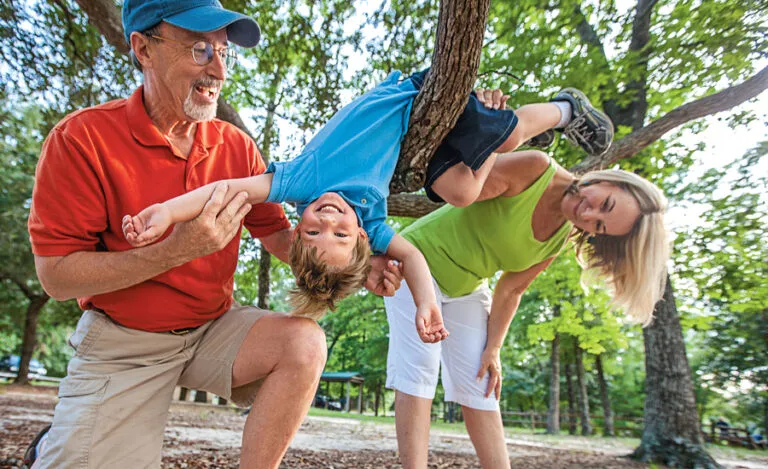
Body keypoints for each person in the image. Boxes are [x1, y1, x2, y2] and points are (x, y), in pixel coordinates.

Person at [24, 1, 400, 468]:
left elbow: (281, 238)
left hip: (211, 330)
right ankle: (57, 444)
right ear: (143, 48)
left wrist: (366, 264)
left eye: (224, 52)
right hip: (126, 343)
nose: (218, 68)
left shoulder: (236, 146)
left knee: (304, 343)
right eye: (200, 49)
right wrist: (176, 250)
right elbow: (58, 278)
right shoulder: (82, 139)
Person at [123, 68, 613, 332]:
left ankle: (563, 109)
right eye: (338, 235)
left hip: (415, 94)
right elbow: (414, 258)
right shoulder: (373, 221)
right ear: (361, 237)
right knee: (461, 190)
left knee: (500, 142)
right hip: (426, 142)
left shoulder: (299, 181)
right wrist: (426, 304)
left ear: (298, 227)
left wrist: (167, 211)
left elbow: (227, 189)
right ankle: (519, 134)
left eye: (312, 230)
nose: (328, 220)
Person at [384, 92, 669, 469]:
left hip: (467, 286)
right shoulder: (537, 167)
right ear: (610, 180)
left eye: (600, 225)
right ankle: (561, 111)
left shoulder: (560, 237)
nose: (590, 213)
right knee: (421, 367)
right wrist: (492, 130)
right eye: (606, 203)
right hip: (417, 261)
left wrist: (494, 348)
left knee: (481, 382)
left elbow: (512, 287)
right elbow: (461, 190)